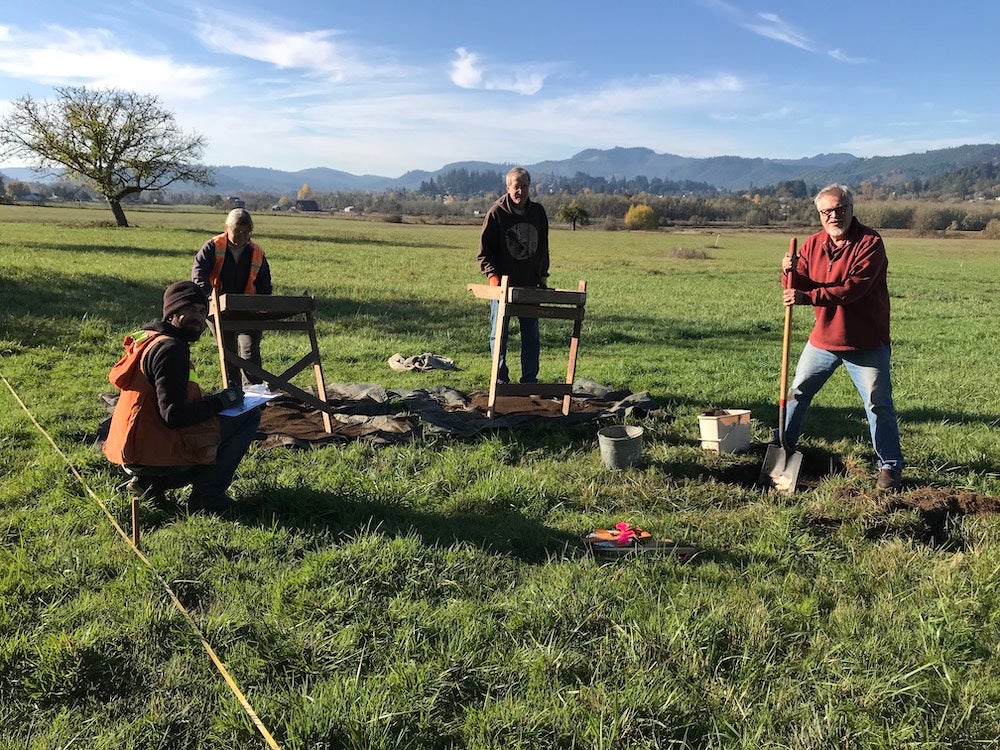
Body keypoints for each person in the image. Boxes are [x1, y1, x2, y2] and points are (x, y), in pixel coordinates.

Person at [781, 184, 904, 491]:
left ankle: (889, 465)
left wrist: (806, 296)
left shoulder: (870, 243)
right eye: (827, 212)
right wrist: (788, 272)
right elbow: (798, 284)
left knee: (878, 404)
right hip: (823, 339)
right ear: (819, 214)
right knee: (797, 392)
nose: (833, 216)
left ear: (851, 209)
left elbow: (853, 288)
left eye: (840, 209)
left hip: (866, 342)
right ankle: (782, 445)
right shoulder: (811, 245)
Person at [103, 281, 260, 513]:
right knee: (248, 416)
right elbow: (174, 415)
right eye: (191, 310)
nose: (199, 318)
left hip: (133, 449)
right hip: (150, 453)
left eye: (202, 311)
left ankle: (149, 486)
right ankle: (206, 496)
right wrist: (221, 402)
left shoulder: (149, 339)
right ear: (173, 312)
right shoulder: (171, 349)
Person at [476, 166, 550, 384]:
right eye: (517, 187)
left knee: (532, 337)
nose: (521, 192)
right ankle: (500, 380)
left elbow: (543, 247)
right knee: (499, 335)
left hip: (530, 286)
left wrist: (542, 275)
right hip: (502, 288)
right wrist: (494, 281)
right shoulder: (496, 213)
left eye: (525, 187)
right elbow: (484, 254)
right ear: (508, 187)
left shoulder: (538, 213)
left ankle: (529, 381)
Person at [192, 208, 272, 387]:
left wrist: (262, 304)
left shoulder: (257, 252)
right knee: (228, 353)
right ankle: (233, 394)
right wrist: (211, 299)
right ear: (227, 227)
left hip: (248, 310)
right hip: (217, 309)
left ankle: (254, 396)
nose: (242, 236)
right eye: (237, 231)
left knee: (251, 351)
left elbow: (264, 283)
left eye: (246, 232)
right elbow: (198, 276)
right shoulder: (213, 246)